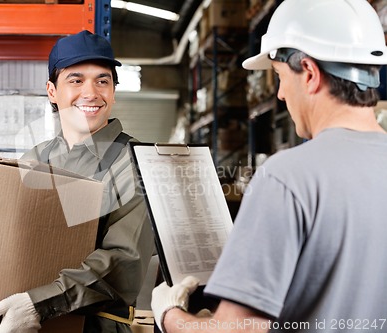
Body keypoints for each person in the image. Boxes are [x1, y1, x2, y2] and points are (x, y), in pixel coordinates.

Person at [151, 0, 387, 332]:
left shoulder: (287, 178)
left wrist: (170, 315)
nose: (279, 94)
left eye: (279, 76)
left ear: (309, 73)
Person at [0, 30, 154, 333]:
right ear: (51, 91)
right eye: (76, 80)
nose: (91, 93)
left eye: (102, 81)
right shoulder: (35, 157)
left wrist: (38, 304)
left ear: (113, 91)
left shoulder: (136, 163)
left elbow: (123, 264)